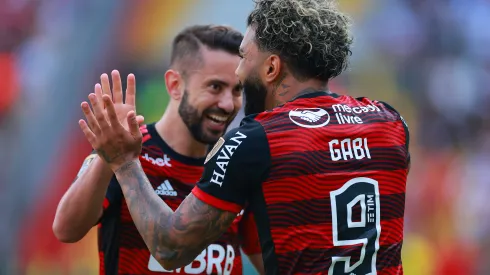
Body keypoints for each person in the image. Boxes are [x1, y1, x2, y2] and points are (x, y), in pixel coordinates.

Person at [77, 0, 410, 274]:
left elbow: (169, 246)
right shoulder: (390, 123)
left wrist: (123, 162)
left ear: (271, 68)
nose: (238, 71)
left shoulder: (256, 140)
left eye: (245, 58)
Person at [53, 25, 264, 275]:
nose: (228, 104)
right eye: (215, 87)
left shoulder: (236, 161)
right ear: (175, 85)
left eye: (237, 89)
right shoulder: (129, 150)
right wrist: (108, 157)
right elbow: (66, 229)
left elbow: (268, 260)